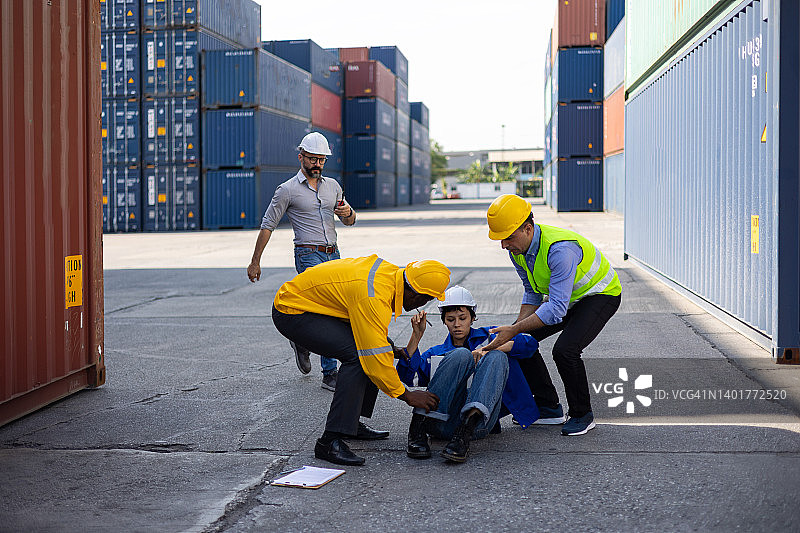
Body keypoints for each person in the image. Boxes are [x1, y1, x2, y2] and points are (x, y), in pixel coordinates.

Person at [271, 255, 451, 466]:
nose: (424, 304)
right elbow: (372, 355)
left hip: (314, 306)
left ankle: (350, 423)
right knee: (358, 358)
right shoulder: (374, 295)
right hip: (292, 310)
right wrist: (406, 395)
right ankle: (330, 441)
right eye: (427, 299)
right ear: (415, 295)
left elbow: (372, 334)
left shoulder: (390, 277)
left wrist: (391, 349)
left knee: (372, 350)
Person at [480, 194, 622, 436]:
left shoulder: (560, 250)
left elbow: (556, 310)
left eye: (508, 238)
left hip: (600, 295)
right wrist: (514, 331)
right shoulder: (518, 250)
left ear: (528, 228)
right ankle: (548, 407)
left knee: (565, 350)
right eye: (500, 239)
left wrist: (515, 329)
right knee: (520, 343)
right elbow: (532, 292)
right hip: (567, 298)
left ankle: (582, 414)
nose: (503, 245)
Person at [247, 132, 356, 392]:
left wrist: (347, 213)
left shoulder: (333, 186)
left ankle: (301, 340)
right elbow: (267, 226)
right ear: (301, 157)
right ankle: (330, 373)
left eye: (321, 160)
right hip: (307, 254)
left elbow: (350, 220)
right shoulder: (287, 190)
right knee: (326, 311)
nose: (317, 164)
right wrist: (255, 262)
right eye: (313, 159)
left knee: (339, 309)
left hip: (334, 254)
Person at [396, 286, 540, 463]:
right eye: (450, 319)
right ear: (444, 321)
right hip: (441, 422)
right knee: (461, 354)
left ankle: (463, 433)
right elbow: (406, 378)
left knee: (497, 356)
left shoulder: (489, 336)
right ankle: (417, 429)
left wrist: (489, 348)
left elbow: (530, 344)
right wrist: (416, 337)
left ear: (472, 318)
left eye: (462, 318)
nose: (457, 324)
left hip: (477, 426)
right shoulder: (436, 353)